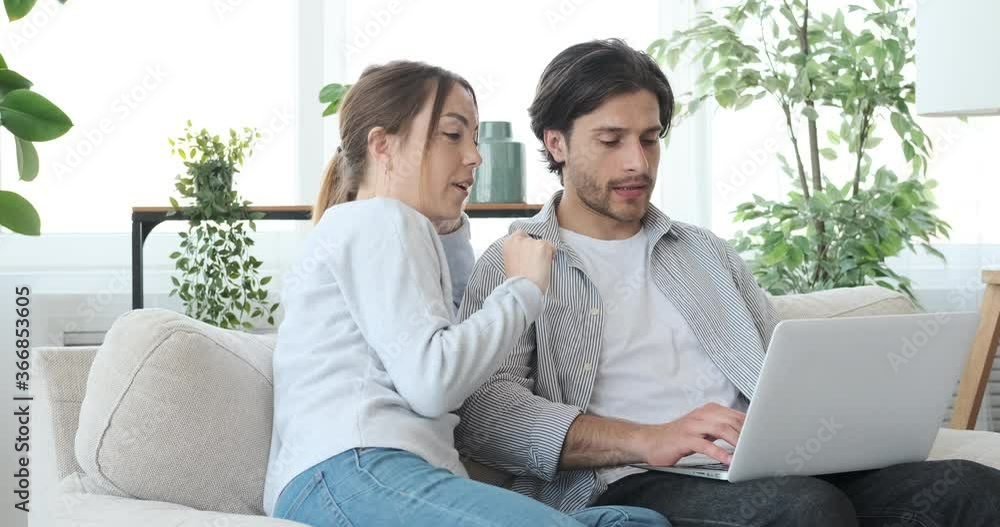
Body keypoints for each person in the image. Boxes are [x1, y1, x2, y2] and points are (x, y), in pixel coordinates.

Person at [456, 39, 1000, 526]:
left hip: (765, 471)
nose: (637, 163)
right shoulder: (516, 260)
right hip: (628, 481)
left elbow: (781, 372)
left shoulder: (705, 253)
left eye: (650, 139)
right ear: (557, 144)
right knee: (805, 507)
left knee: (973, 489)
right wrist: (652, 439)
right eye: (611, 140)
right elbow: (485, 414)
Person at [261, 60, 670, 527]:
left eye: (473, 138)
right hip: (353, 468)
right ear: (383, 146)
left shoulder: (396, 230)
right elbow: (434, 383)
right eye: (452, 136)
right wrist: (523, 289)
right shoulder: (379, 220)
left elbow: (458, 343)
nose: (475, 156)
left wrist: (452, 231)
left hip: (392, 474)